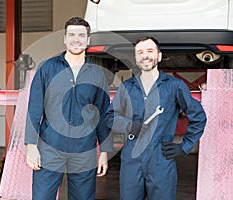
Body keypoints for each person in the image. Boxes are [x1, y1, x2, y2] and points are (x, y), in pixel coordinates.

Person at [105, 36, 207, 200]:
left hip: (161, 159)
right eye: (140, 52)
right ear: (136, 59)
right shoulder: (127, 88)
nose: (145, 56)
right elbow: (110, 117)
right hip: (132, 159)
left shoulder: (174, 86)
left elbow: (199, 117)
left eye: (150, 51)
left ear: (159, 56)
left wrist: (184, 146)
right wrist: (128, 126)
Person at [25, 17, 112, 200]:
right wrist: (31, 146)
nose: (76, 39)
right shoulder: (47, 68)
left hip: (84, 149)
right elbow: (34, 108)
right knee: (41, 197)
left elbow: (103, 115)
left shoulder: (97, 75)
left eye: (81, 35)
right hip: (50, 146)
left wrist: (104, 151)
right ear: (64, 39)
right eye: (71, 35)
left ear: (88, 40)